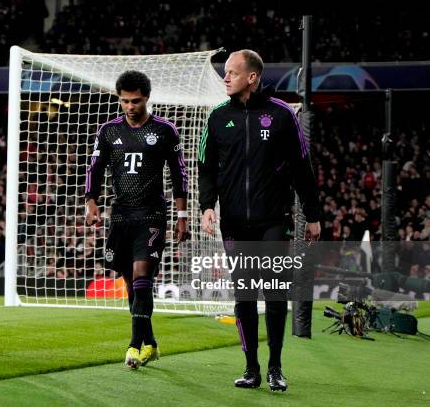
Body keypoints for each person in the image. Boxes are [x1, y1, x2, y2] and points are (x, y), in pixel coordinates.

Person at [198, 50, 321, 391]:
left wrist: (313, 216)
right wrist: (207, 206)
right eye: (225, 73)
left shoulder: (281, 115)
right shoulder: (217, 117)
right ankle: (251, 367)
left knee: (276, 293)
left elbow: (302, 169)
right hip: (234, 224)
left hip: (272, 221)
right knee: (245, 297)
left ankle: (276, 367)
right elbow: (206, 168)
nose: (225, 78)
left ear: (251, 77)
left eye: (232, 73)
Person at [85, 70, 189, 369]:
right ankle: (152, 344)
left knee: (143, 277)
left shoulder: (165, 130)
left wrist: (181, 216)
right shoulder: (108, 131)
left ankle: (133, 346)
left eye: (136, 101)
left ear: (147, 98)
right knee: (132, 284)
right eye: (125, 101)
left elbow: (178, 175)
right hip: (120, 214)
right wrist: (91, 203)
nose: (130, 106)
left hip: (152, 213)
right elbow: (95, 168)